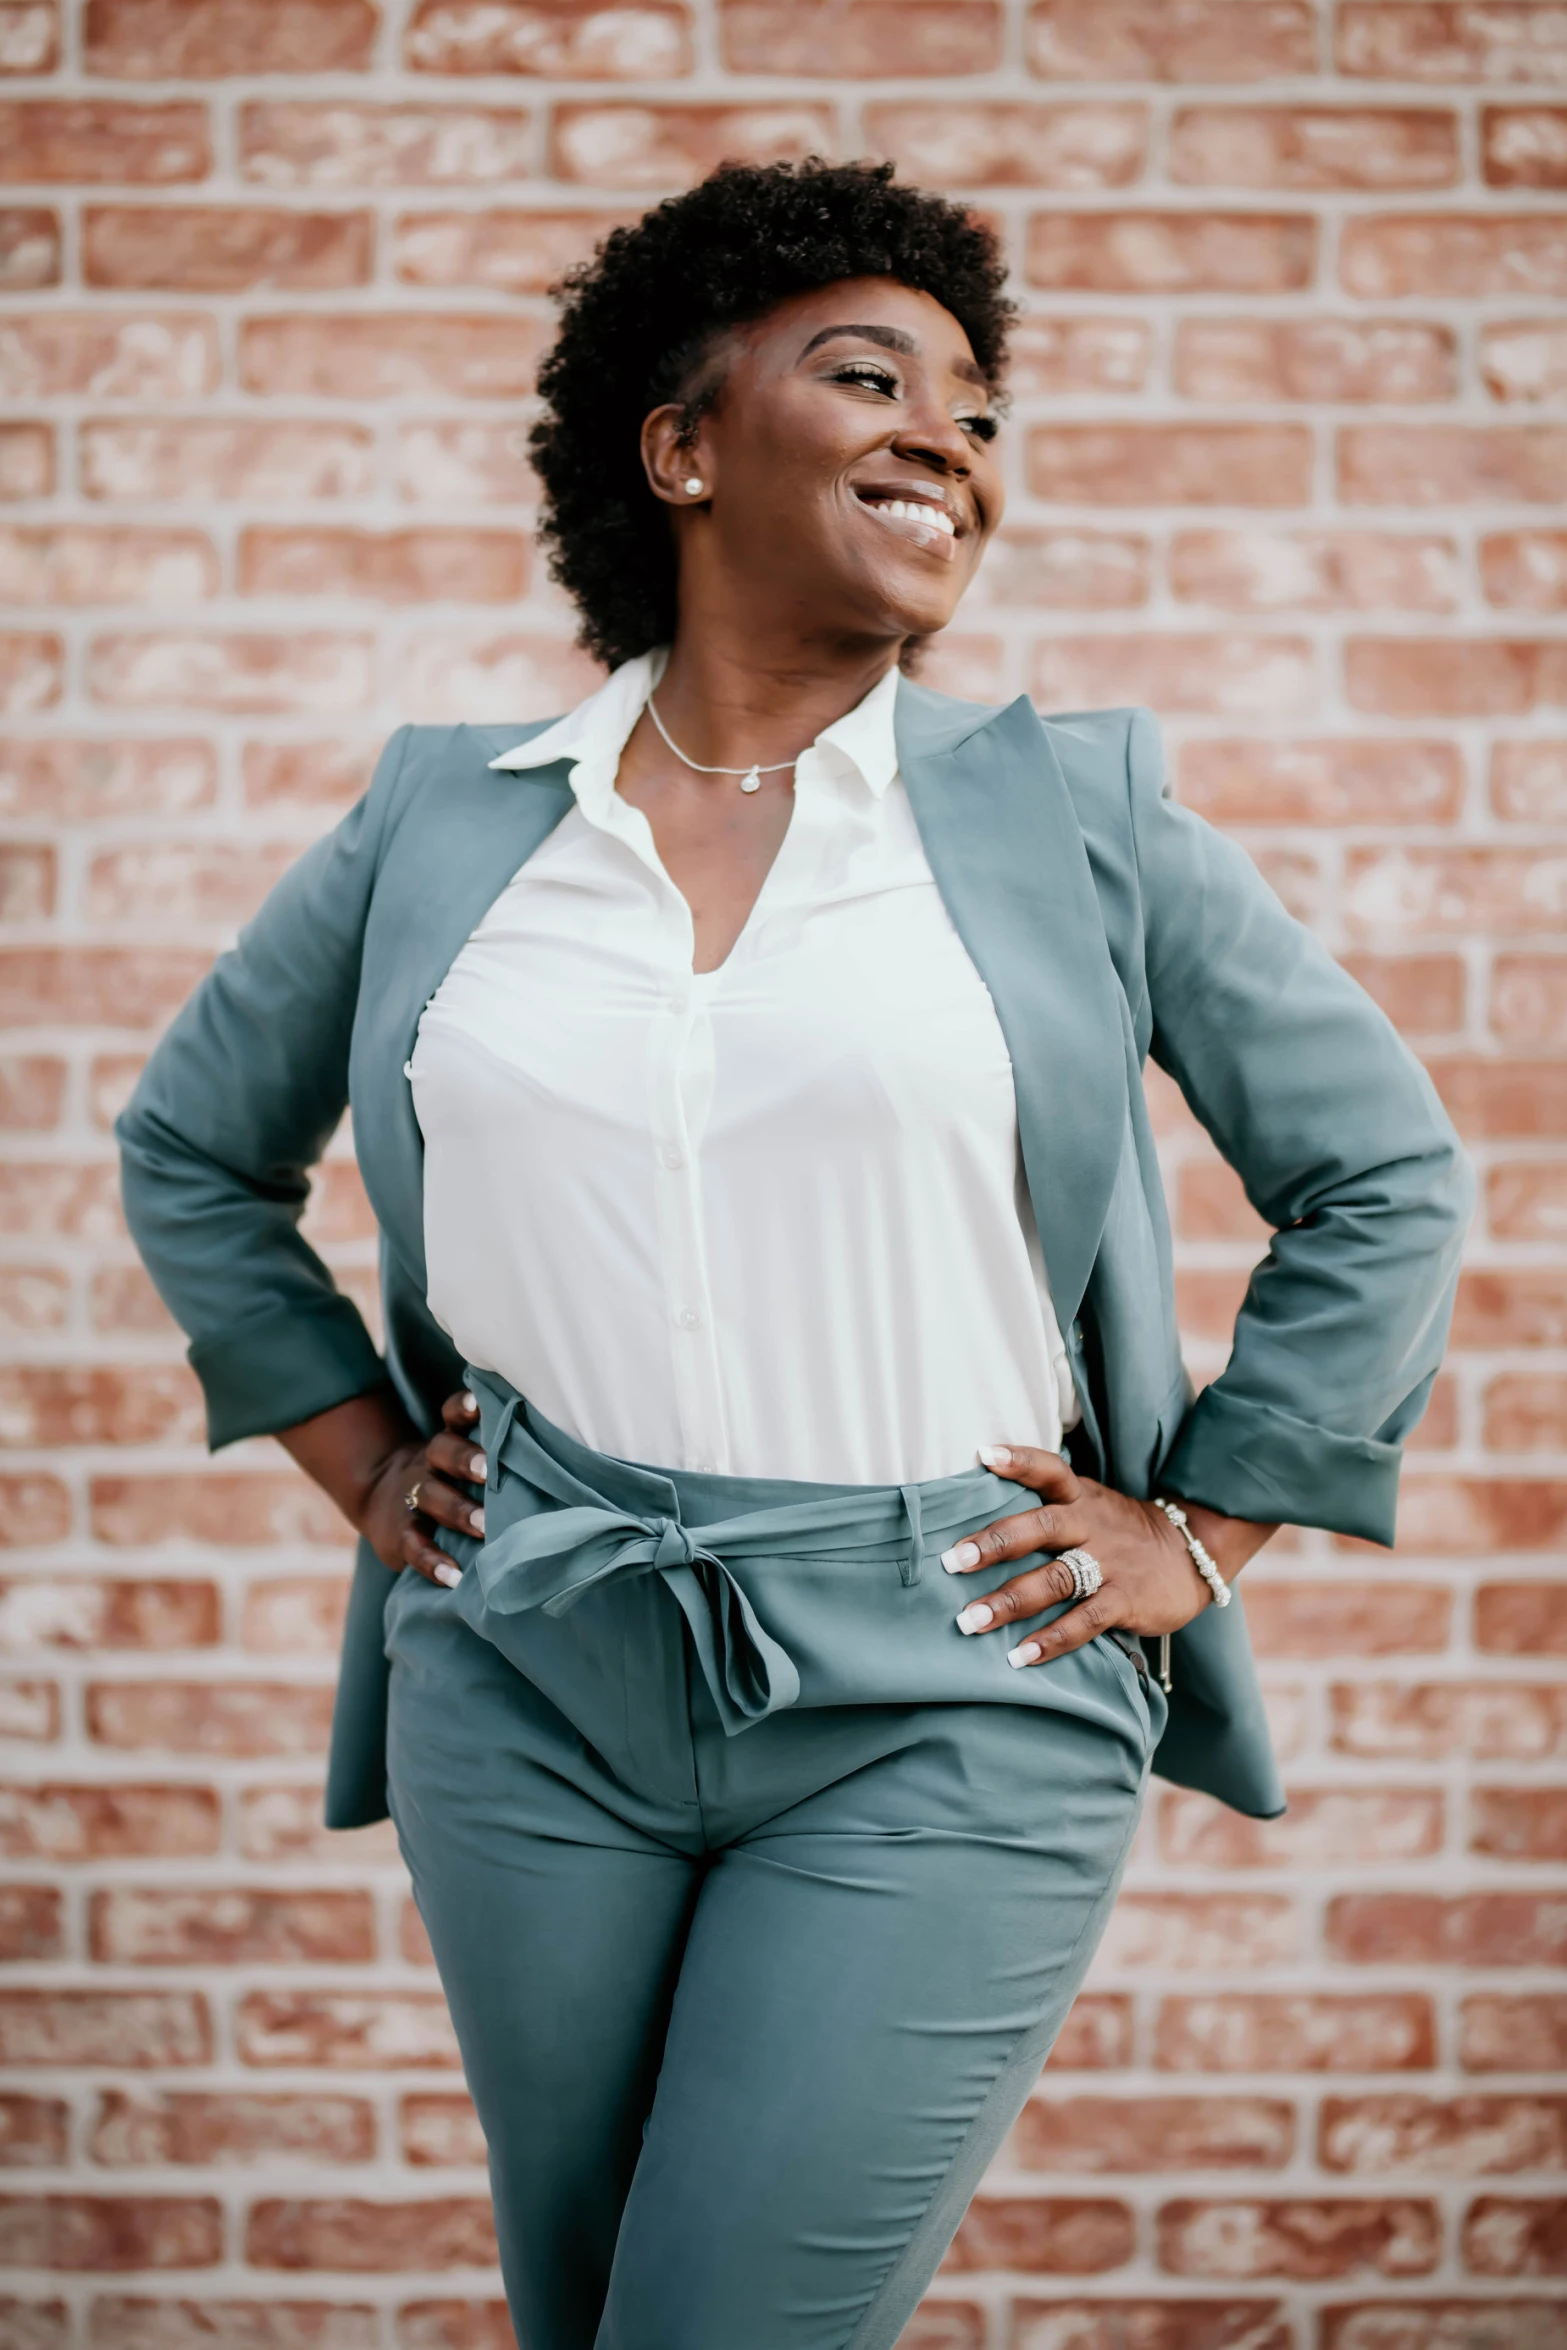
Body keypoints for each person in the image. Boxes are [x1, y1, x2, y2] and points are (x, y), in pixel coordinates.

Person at [118, 160, 1473, 2350]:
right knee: (587, 2311)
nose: (949, 432)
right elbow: (192, 1143)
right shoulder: (446, 815)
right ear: (679, 448)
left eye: (977, 406)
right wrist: (368, 1461)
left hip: (954, 1675)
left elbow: (1385, 1169)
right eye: (871, 376)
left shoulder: (1077, 811)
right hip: (528, 1667)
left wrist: (1203, 1527)